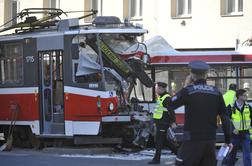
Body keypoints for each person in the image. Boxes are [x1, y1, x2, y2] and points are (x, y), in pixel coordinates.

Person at [166, 60, 232, 166]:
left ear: (192, 75)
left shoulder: (188, 91)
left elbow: (169, 104)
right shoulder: (216, 92)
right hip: (210, 141)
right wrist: (228, 141)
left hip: (191, 141)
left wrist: (186, 86)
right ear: (206, 75)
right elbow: (225, 118)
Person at [148, 82, 178, 164]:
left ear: (162, 89)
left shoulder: (167, 98)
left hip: (163, 123)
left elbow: (171, 111)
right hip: (160, 122)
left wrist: (173, 122)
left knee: (159, 141)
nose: (156, 90)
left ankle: (156, 159)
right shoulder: (161, 97)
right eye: (157, 88)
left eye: (158, 88)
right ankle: (179, 154)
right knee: (165, 141)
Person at [227, 89, 252, 166]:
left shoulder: (248, 107)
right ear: (239, 96)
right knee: (232, 155)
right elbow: (227, 120)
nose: (246, 96)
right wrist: (232, 129)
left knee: (247, 155)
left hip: (246, 134)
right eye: (245, 95)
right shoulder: (230, 107)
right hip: (235, 135)